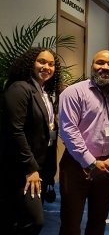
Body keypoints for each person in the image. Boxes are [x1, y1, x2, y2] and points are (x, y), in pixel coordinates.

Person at [58, 50, 109, 235]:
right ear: (92, 66)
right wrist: (90, 162)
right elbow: (68, 130)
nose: (106, 67)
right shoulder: (73, 93)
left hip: (107, 167)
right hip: (76, 166)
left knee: (98, 221)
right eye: (100, 63)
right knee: (70, 224)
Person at [0, 47, 61, 234]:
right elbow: (15, 130)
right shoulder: (20, 88)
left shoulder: (43, 92)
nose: (47, 67)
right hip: (21, 170)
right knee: (34, 221)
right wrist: (30, 168)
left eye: (51, 64)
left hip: (39, 168)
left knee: (18, 218)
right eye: (41, 62)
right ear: (30, 63)